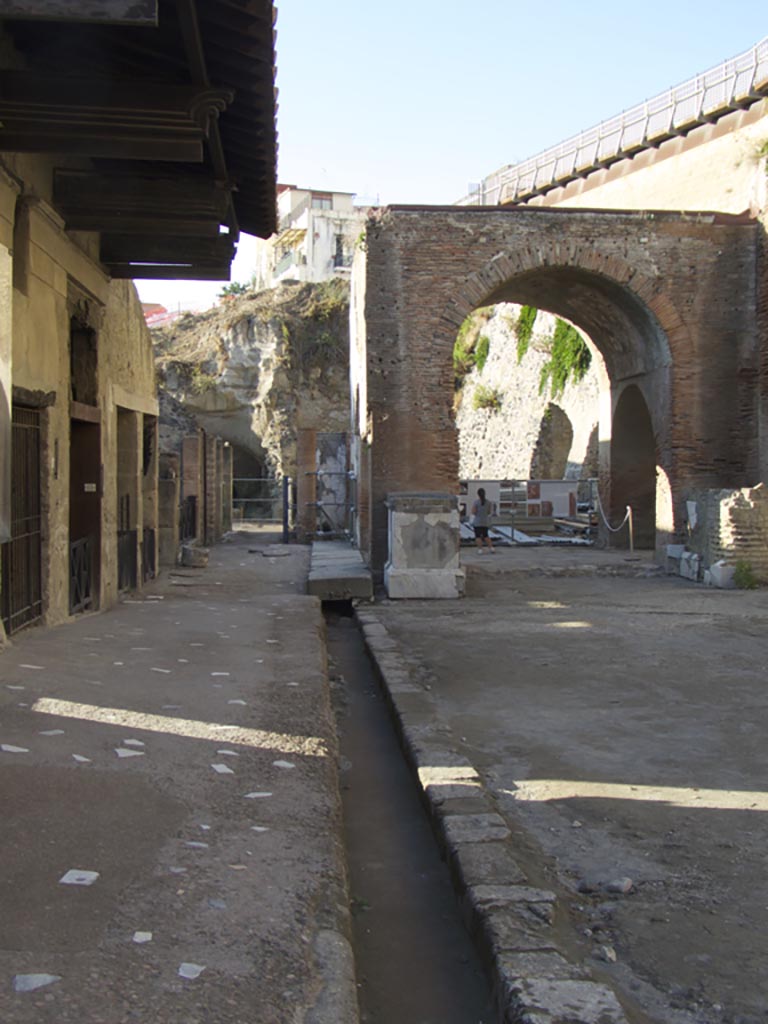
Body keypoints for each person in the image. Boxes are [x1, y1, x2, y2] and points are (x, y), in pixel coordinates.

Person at [471, 487, 495, 554]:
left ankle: (480, 549)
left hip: (477, 521)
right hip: (485, 521)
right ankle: (491, 548)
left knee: (478, 536)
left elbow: (473, 511)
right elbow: (489, 512)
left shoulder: (476, 502)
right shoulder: (488, 502)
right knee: (486, 535)